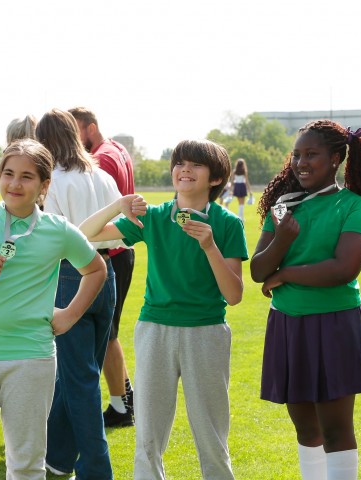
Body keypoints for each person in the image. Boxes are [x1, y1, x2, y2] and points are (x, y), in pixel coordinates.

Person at [80, 139, 246, 480]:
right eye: (180, 163)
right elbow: (84, 236)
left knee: (212, 433)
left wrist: (209, 245)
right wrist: (118, 205)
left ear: (216, 178)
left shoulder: (228, 224)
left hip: (207, 332)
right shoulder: (153, 217)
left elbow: (234, 295)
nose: (184, 169)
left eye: (196, 164)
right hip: (155, 330)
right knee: (148, 436)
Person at [0, 139, 108, 479]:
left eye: (27, 177)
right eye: (8, 174)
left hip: (32, 358)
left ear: (44, 186)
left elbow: (96, 270)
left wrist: (69, 314)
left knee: (27, 464)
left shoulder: (57, 230)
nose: (15, 184)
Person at [251, 120, 361, 480]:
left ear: (337, 158)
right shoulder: (285, 205)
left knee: (336, 429)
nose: (301, 162)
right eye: (296, 155)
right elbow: (258, 270)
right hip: (287, 323)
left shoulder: (355, 205)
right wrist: (281, 240)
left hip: (335, 323)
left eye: (312, 154)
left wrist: (287, 273)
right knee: (305, 429)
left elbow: (344, 269)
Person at [36, 108, 122, 479]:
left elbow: (53, 239)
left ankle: (96, 470)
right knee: (75, 376)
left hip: (71, 275)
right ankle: (57, 457)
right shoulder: (102, 175)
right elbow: (121, 232)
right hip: (108, 273)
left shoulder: (51, 180)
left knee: (79, 379)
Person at [69, 106, 138, 428]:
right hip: (115, 249)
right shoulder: (117, 149)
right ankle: (124, 399)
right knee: (109, 332)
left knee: (106, 334)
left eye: (76, 130)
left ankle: (121, 403)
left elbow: (97, 217)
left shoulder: (101, 158)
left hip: (108, 249)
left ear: (90, 128)